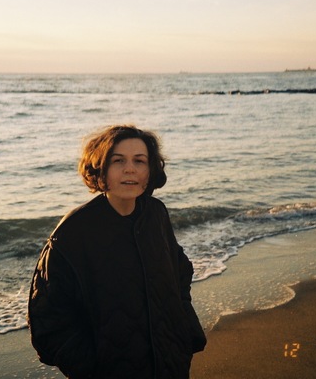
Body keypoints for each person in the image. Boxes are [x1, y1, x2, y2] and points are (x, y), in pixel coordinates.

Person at [28, 124, 206, 379]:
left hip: (171, 366)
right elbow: (48, 319)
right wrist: (92, 368)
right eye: (118, 160)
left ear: (150, 169)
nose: (129, 169)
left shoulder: (155, 214)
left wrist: (184, 332)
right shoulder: (73, 233)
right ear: (100, 168)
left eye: (139, 160)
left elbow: (180, 274)